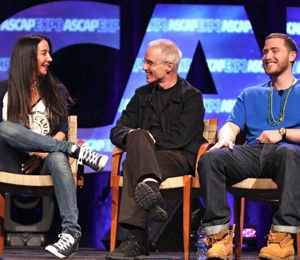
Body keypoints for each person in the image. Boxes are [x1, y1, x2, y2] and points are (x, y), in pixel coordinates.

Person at [0, 34, 109, 259]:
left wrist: (40, 154)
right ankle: (73, 150)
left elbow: (61, 129)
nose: (50, 58)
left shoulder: (55, 89)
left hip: (43, 161)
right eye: (44, 53)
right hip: (8, 161)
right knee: (4, 128)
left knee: (58, 158)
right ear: (28, 57)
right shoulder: (3, 89)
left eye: (49, 52)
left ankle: (71, 231)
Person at [198, 32, 300, 260]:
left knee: (287, 152)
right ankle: (220, 237)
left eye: (275, 51)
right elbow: (231, 125)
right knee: (211, 158)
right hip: (253, 154)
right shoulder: (251, 93)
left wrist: (282, 133)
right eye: (265, 51)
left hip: (290, 155)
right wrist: (225, 138)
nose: (268, 56)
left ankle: (284, 238)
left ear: (292, 56)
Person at [108, 39, 206, 259]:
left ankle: (134, 241)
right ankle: (150, 187)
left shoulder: (191, 97)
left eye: (149, 63)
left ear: (169, 66)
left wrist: (145, 139)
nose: (144, 68)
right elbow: (117, 130)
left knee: (134, 156)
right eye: (145, 63)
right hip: (149, 160)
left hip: (178, 159)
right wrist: (136, 137)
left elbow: (180, 138)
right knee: (137, 142)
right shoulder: (142, 94)